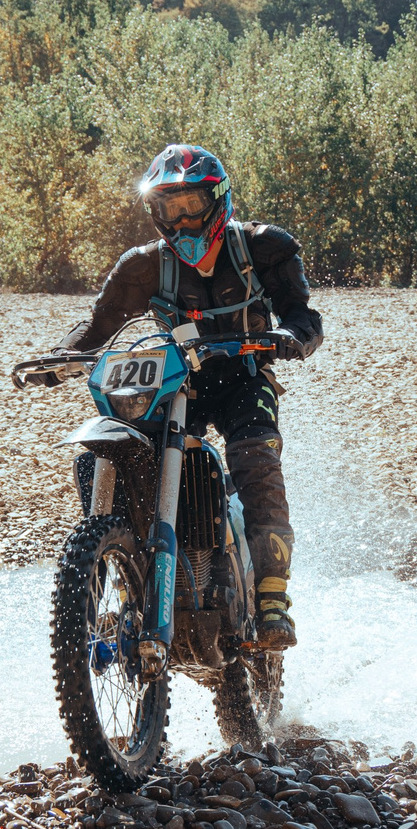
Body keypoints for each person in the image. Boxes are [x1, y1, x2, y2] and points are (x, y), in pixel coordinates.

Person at [31, 143, 323, 648]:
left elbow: (304, 315)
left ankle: (273, 599)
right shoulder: (142, 266)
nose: (181, 222)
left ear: (218, 201)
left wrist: (292, 337)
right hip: (173, 382)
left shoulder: (264, 248)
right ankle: (114, 571)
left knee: (255, 458)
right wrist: (58, 358)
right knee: (105, 455)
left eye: (190, 207)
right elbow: (98, 328)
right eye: (168, 209)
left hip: (244, 377)